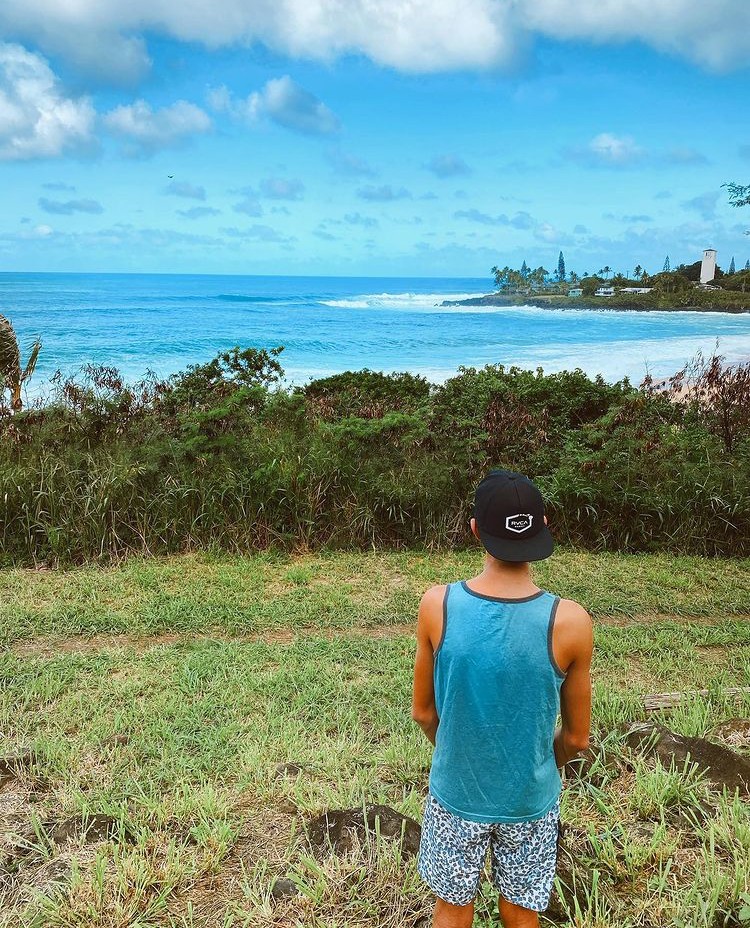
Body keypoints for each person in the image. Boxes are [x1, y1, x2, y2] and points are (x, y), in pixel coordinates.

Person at [412, 469, 593, 928]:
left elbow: (423, 712)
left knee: (452, 909)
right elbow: (577, 739)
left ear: (475, 529)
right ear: (543, 525)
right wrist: (539, 762)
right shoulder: (571, 621)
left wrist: (458, 752)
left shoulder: (437, 605)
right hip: (530, 800)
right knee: (520, 911)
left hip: (456, 793)